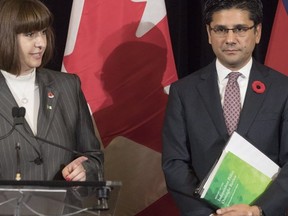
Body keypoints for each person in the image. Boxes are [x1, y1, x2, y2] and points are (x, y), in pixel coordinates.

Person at [162, 0, 288, 215]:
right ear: (209, 34)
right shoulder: (184, 92)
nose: (230, 39)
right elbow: (175, 163)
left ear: (257, 32)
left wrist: (256, 210)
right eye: (220, 30)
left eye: (240, 29)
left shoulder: (282, 89)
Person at [0, 0, 103, 182]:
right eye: (30, 34)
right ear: (6, 36)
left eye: (43, 32)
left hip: (61, 208)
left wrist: (85, 169)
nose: (41, 43)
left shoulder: (67, 86)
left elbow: (93, 155)